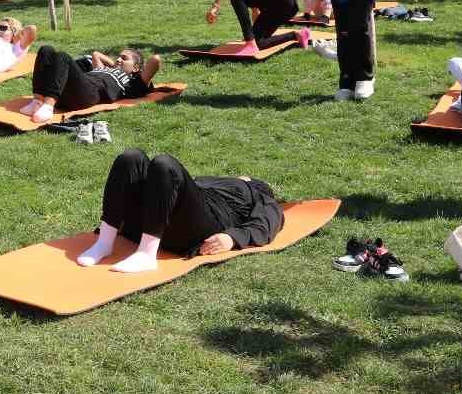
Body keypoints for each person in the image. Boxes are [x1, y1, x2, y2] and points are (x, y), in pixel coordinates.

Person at [76, 149, 285, 273]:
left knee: (165, 164)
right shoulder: (213, 181)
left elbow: (270, 222)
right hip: (161, 220)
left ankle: (146, 255)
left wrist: (232, 238)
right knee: (131, 158)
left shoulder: (257, 193)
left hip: (200, 226)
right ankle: (104, 243)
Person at [18, 47, 163, 124]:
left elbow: (155, 60)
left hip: (88, 95)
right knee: (46, 50)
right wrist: (114, 65)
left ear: (136, 68)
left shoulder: (133, 83)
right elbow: (96, 54)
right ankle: (37, 101)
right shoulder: (105, 69)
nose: (118, 59)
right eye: (118, 56)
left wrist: (131, 70)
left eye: (124, 58)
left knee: (63, 56)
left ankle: (48, 106)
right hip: (72, 88)